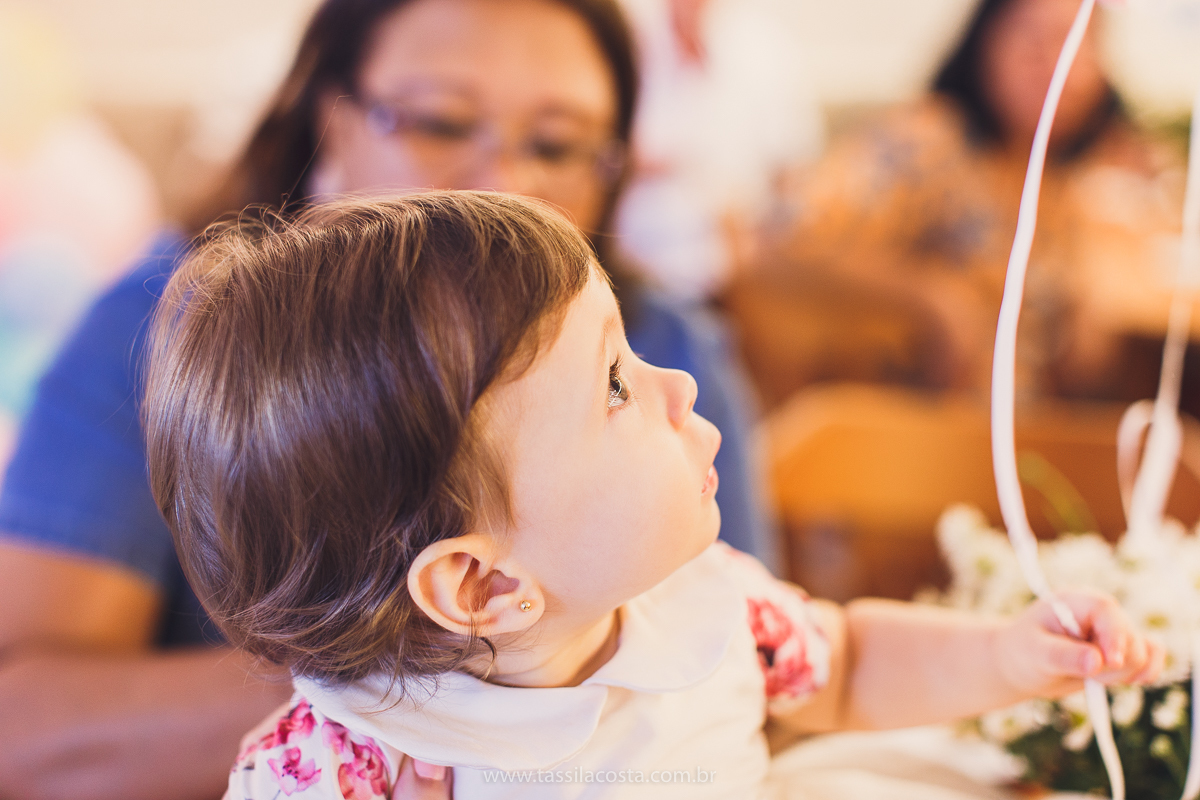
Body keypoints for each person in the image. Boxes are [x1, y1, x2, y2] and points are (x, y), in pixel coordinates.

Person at [144, 192, 1162, 799]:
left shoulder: (700, 602)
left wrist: (1009, 654)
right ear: (485, 584)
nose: (677, 386)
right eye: (617, 385)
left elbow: (844, 663)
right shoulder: (345, 769)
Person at [0, 1, 773, 797]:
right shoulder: (163, 336)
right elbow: (19, 731)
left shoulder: (670, 347)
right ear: (333, 127)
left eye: (556, 144)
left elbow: (752, 655)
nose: (504, 181)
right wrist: (422, 688)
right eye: (440, 122)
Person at [761, 0, 1183, 399]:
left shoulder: (1074, 177)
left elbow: (1079, 354)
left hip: (1030, 436)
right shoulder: (926, 143)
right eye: (1036, 42)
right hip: (911, 435)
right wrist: (927, 297)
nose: (1060, 69)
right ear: (985, 44)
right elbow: (787, 237)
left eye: (1080, 44)